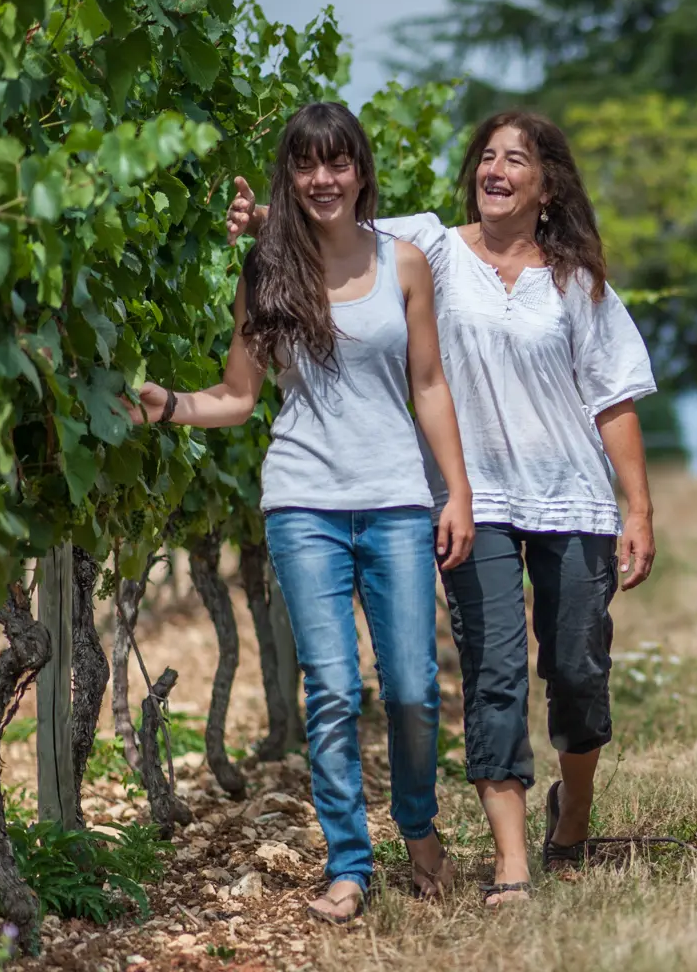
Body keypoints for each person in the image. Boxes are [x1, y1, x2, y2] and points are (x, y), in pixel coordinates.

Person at [228, 110, 658, 906]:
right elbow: (329, 222)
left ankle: (575, 809)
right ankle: (511, 864)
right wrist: (257, 223)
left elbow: (615, 400)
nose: (496, 169)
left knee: (576, 670)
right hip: (474, 499)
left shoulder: (578, 282)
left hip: (573, 498)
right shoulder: (428, 246)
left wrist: (638, 510)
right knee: (494, 673)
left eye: (516, 160)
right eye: (486, 157)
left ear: (547, 182)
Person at [131, 101, 475, 923]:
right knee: (330, 691)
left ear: (361, 170)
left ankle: (419, 828)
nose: (324, 179)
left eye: (338, 162)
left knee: (415, 690)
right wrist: (168, 405)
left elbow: (429, 383)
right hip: (302, 505)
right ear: (291, 176)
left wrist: (455, 491)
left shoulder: (403, 264)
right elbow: (238, 396)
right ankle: (348, 866)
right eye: (306, 165)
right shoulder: (267, 273)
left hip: (395, 500)